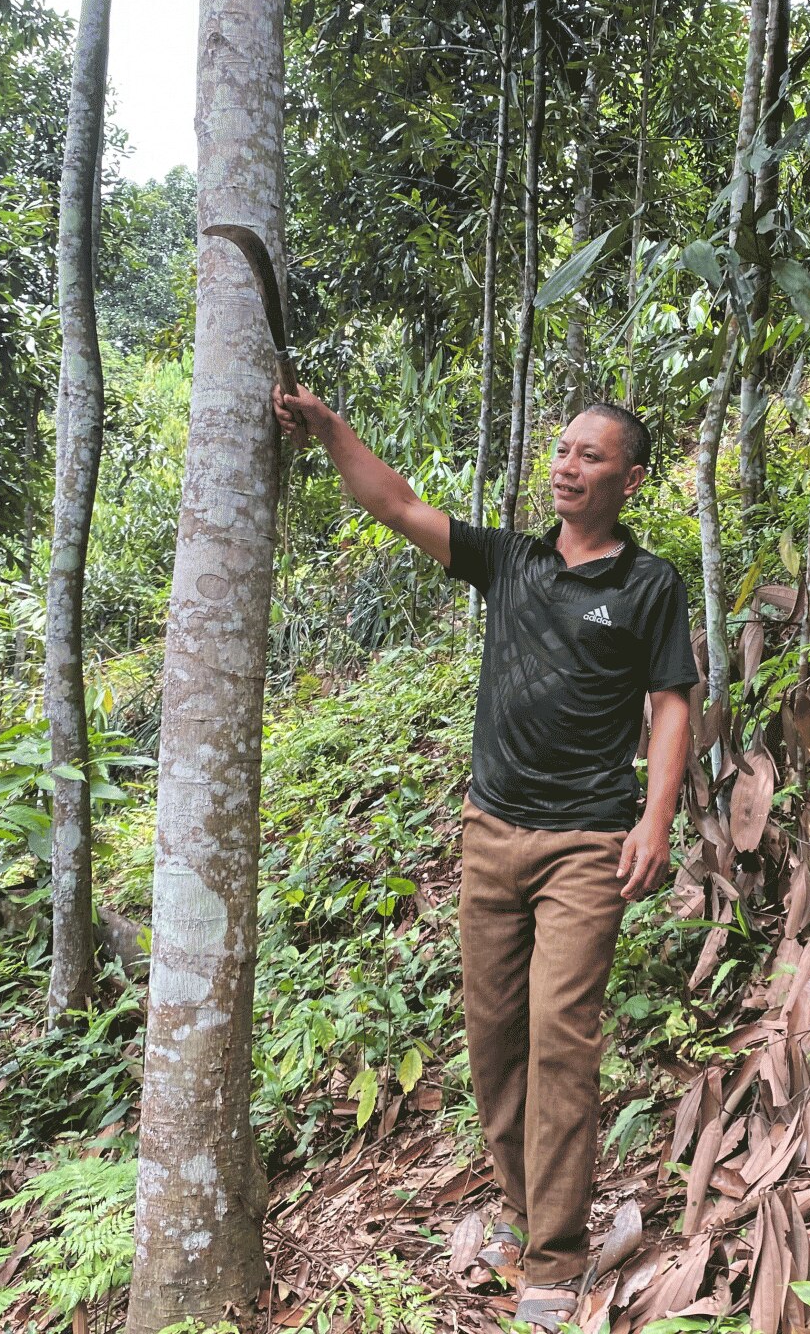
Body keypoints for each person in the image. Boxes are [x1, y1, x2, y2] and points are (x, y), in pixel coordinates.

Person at [273, 383, 698, 1331]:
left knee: (561, 1036)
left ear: (628, 479)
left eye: (591, 456)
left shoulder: (648, 585)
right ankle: (519, 1212)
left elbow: (673, 702)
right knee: (495, 1037)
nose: (566, 465)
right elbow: (396, 504)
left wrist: (655, 820)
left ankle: (556, 1258)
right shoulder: (510, 561)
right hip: (492, 832)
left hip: (589, 838)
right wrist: (335, 426)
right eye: (561, 449)